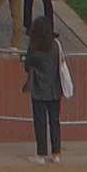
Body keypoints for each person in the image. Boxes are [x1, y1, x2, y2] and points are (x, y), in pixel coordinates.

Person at [22, 11, 66, 158]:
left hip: (39, 91)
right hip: (55, 90)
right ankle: (56, 152)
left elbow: (27, 65)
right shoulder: (56, 46)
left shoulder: (34, 48)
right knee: (55, 121)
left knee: (40, 122)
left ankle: (41, 154)